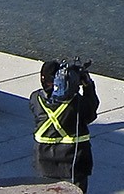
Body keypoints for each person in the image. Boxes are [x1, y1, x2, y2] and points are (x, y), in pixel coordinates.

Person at [31, 59, 98, 190]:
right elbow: (91, 114)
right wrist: (88, 86)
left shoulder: (35, 98)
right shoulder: (77, 103)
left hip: (44, 159)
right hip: (73, 160)